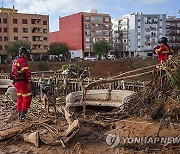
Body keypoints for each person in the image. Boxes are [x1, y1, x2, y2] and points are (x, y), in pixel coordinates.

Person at [10, 47, 32, 121]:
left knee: (20, 98)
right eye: (26, 54)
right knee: (27, 97)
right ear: (23, 54)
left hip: (16, 82)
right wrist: (28, 83)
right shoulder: (22, 60)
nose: (27, 56)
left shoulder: (14, 60)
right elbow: (26, 73)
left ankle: (19, 113)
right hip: (22, 82)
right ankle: (23, 115)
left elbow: (13, 72)